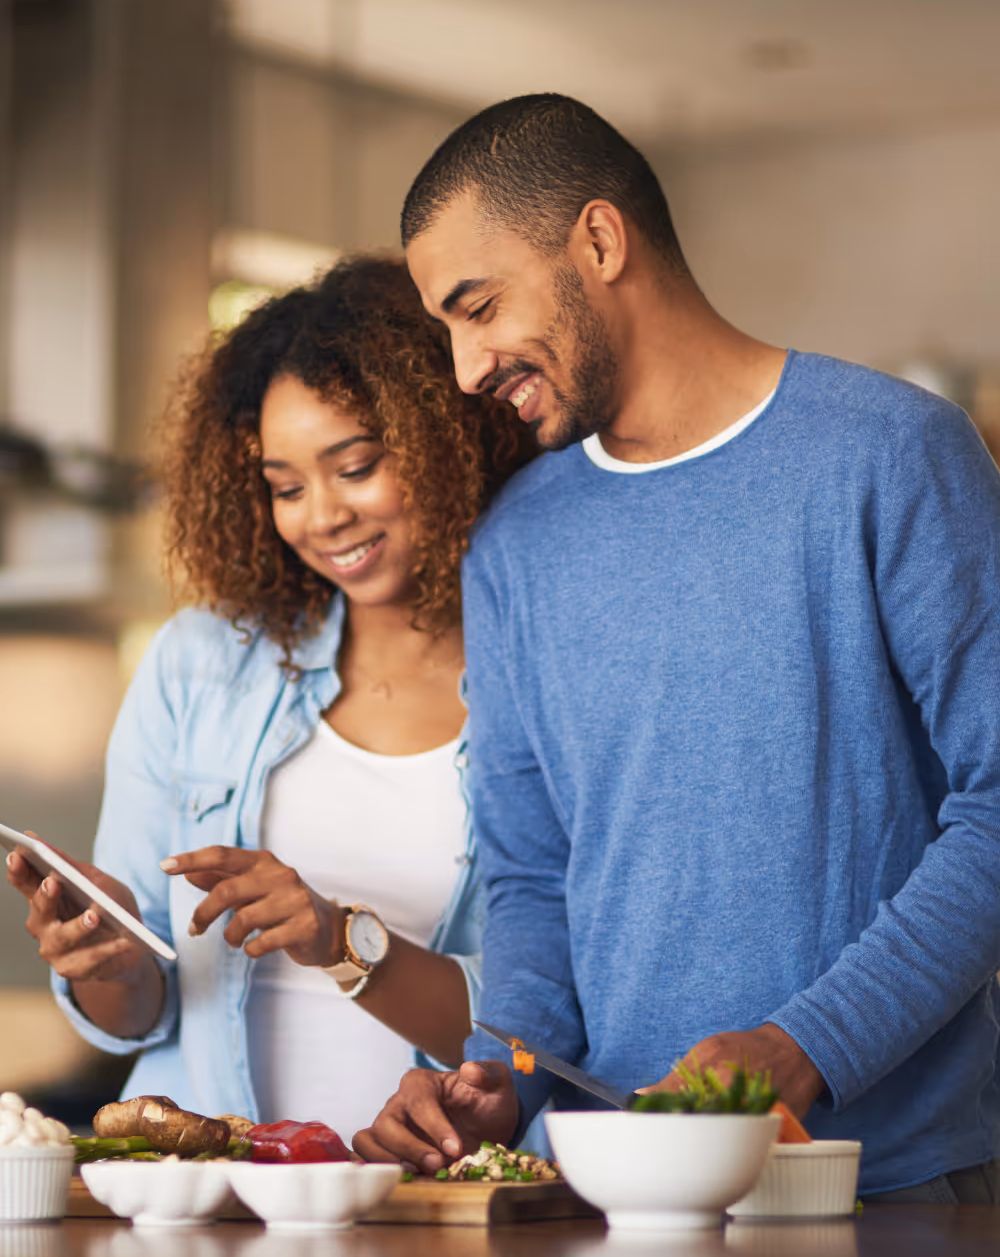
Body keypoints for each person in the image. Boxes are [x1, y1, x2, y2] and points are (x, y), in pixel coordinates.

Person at [354, 94, 1000, 1201]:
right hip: (611, 1193)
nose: (465, 369)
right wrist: (497, 1071)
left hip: (885, 1186)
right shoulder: (516, 546)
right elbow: (533, 878)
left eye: (479, 307)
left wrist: (806, 1048)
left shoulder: (890, 456)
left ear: (599, 241)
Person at [5, 255, 532, 1146]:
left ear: (449, 437)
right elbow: (139, 1011)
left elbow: (538, 1035)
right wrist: (107, 956)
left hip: (428, 1202)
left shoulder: (544, 678)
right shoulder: (200, 666)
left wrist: (336, 935)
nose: (319, 516)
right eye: (285, 486)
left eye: (355, 466)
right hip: (208, 1204)